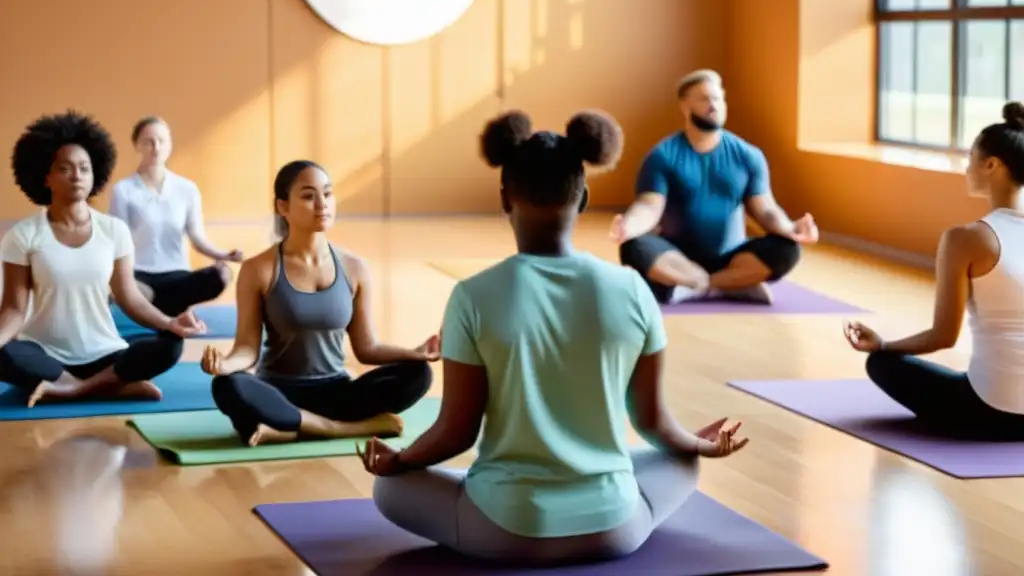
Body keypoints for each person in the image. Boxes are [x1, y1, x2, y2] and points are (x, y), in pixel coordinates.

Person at [356, 109, 749, 567]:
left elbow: (455, 434)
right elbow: (654, 423)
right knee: (680, 461)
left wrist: (400, 461)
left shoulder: (472, 296)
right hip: (613, 528)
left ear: (505, 199)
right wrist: (699, 445)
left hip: (507, 530)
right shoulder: (632, 288)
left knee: (391, 488)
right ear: (583, 198)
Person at [200, 160, 436, 447]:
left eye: (327, 193)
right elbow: (248, 349)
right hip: (279, 394)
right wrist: (224, 365)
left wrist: (415, 353)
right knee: (227, 386)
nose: (322, 204)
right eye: (309, 196)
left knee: (419, 374)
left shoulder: (354, 268)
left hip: (336, 393)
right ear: (283, 207)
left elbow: (367, 348)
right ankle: (338, 429)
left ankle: (291, 428)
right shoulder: (258, 269)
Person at [844, 101, 1024, 440]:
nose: (966, 166)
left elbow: (943, 336)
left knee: (882, 363)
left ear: (992, 165)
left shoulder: (965, 239)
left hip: (993, 412)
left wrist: (883, 344)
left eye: (971, 157)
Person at [0, 111, 206, 407]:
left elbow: (130, 298)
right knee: (5, 353)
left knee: (170, 345)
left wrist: (171, 323)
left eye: (84, 168)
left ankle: (71, 389)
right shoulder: (23, 235)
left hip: (104, 353)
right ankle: (112, 387)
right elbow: (13, 310)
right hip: (45, 354)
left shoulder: (113, 230)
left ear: (95, 173)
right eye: (65, 168)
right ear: (46, 177)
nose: (77, 176)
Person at [611, 69, 818, 305]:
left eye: (718, 98)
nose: (713, 105)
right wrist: (628, 225)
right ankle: (731, 284)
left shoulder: (748, 155)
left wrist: (791, 228)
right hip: (677, 258)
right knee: (633, 246)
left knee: (788, 249)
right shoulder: (662, 156)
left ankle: (700, 286)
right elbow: (649, 205)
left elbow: (766, 210)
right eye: (704, 99)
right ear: (685, 106)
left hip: (731, 258)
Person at [108, 116, 242, 318]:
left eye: (161, 141)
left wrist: (223, 255)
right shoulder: (123, 190)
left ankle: (159, 305)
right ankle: (154, 304)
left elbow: (196, 236)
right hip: (139, 277)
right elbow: (117, 242)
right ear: (137, 145)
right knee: (123, 285)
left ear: (169, 144)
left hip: (178, 276)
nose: (156, 147)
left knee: (223, 274)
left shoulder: (187, 189)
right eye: (148, 141)